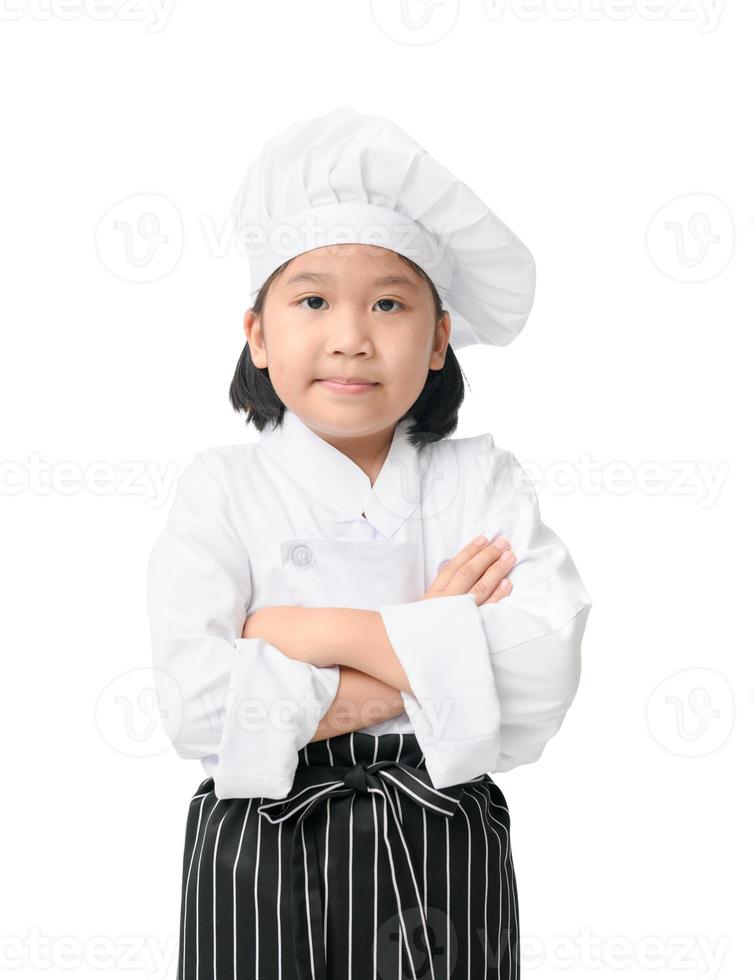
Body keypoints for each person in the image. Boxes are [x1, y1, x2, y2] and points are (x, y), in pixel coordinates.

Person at [146, 104, 592, 980]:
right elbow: (193, 706)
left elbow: (540, 673)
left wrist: (300, 636)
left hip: (442, 843)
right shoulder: (220, 487)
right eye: (312, 299)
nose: (350, 335)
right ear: (259, 332)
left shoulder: (482, 480)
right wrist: (436, 643)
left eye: (389, 303)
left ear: (436, 340)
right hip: (258, 855)